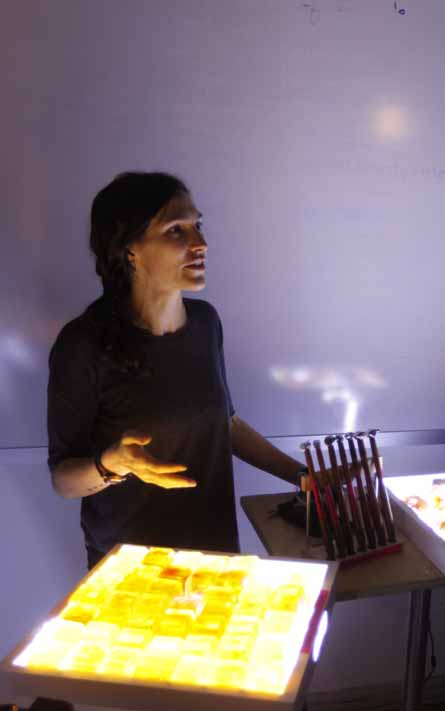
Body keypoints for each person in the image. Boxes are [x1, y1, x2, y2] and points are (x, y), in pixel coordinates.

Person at [47, 172, 305, 569]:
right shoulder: (83, 343)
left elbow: (226, 424)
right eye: (176, 231)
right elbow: (64, 479)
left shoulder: (206, 323)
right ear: (129, 248)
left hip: (215, 554)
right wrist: (112, 464)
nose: (200, 244)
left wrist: (306, 479)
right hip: (130, 568)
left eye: (197, 226)